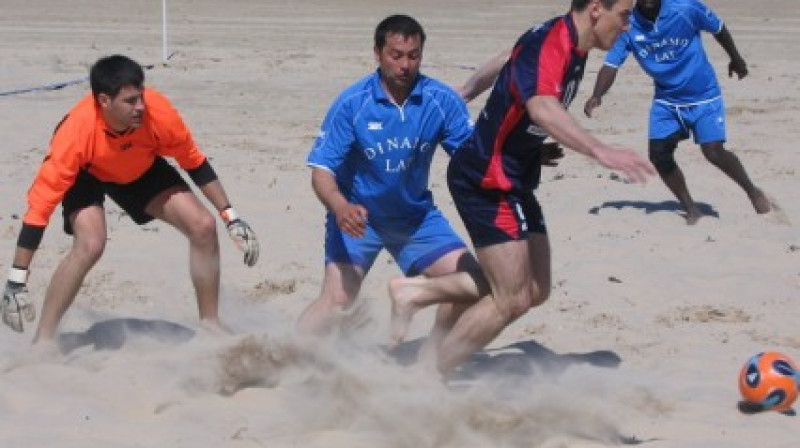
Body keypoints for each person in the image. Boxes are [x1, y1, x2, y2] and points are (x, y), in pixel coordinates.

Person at [389, 0, 655, 378]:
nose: (628, 25)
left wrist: (468, 89)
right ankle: (425, 380)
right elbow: (542, 106)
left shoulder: (565, 41)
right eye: (625, 15)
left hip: (517, 177)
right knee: (511, 298)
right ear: (597, 9)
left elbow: (507, 58)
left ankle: (418, 295)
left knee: (535, 289)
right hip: (488, 180)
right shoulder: (553, 42)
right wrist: (599, 150)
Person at [1, 55, 259, 342]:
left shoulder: (158, 113)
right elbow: (39, 211)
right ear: (104, 101)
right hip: (87, 173)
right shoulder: (75, 134)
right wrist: (16, 280)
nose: (140, 107)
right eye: (130, 101)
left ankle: (210, 325)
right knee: (91, 244)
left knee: (203, 226)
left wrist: (231, 217)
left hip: (138, 167)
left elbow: (194, 163)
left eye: (141, 97)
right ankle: (44, 340)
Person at [296, 14, 489, 339]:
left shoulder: (440, 101)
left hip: (416, 218)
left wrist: (520, 156)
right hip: (358, 219)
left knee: (477, 284)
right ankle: (285, 357)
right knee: (337, 300)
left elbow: (475, 159)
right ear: (378, 53)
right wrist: (340, 207)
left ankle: (431, 351)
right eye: (396, 55)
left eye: (413, 56)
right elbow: (322, 172)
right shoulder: (352, 104)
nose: (405, 65)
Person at [583, 0, 770, 225]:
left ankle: (752, 191)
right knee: (659, 155)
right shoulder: (628, 25)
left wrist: (736, 59)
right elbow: (611, 65)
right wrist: (597, 95)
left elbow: (718, 28)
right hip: (667, 101)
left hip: (704, 95)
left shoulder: (686, 9)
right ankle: (691, 209)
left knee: (713, 152)